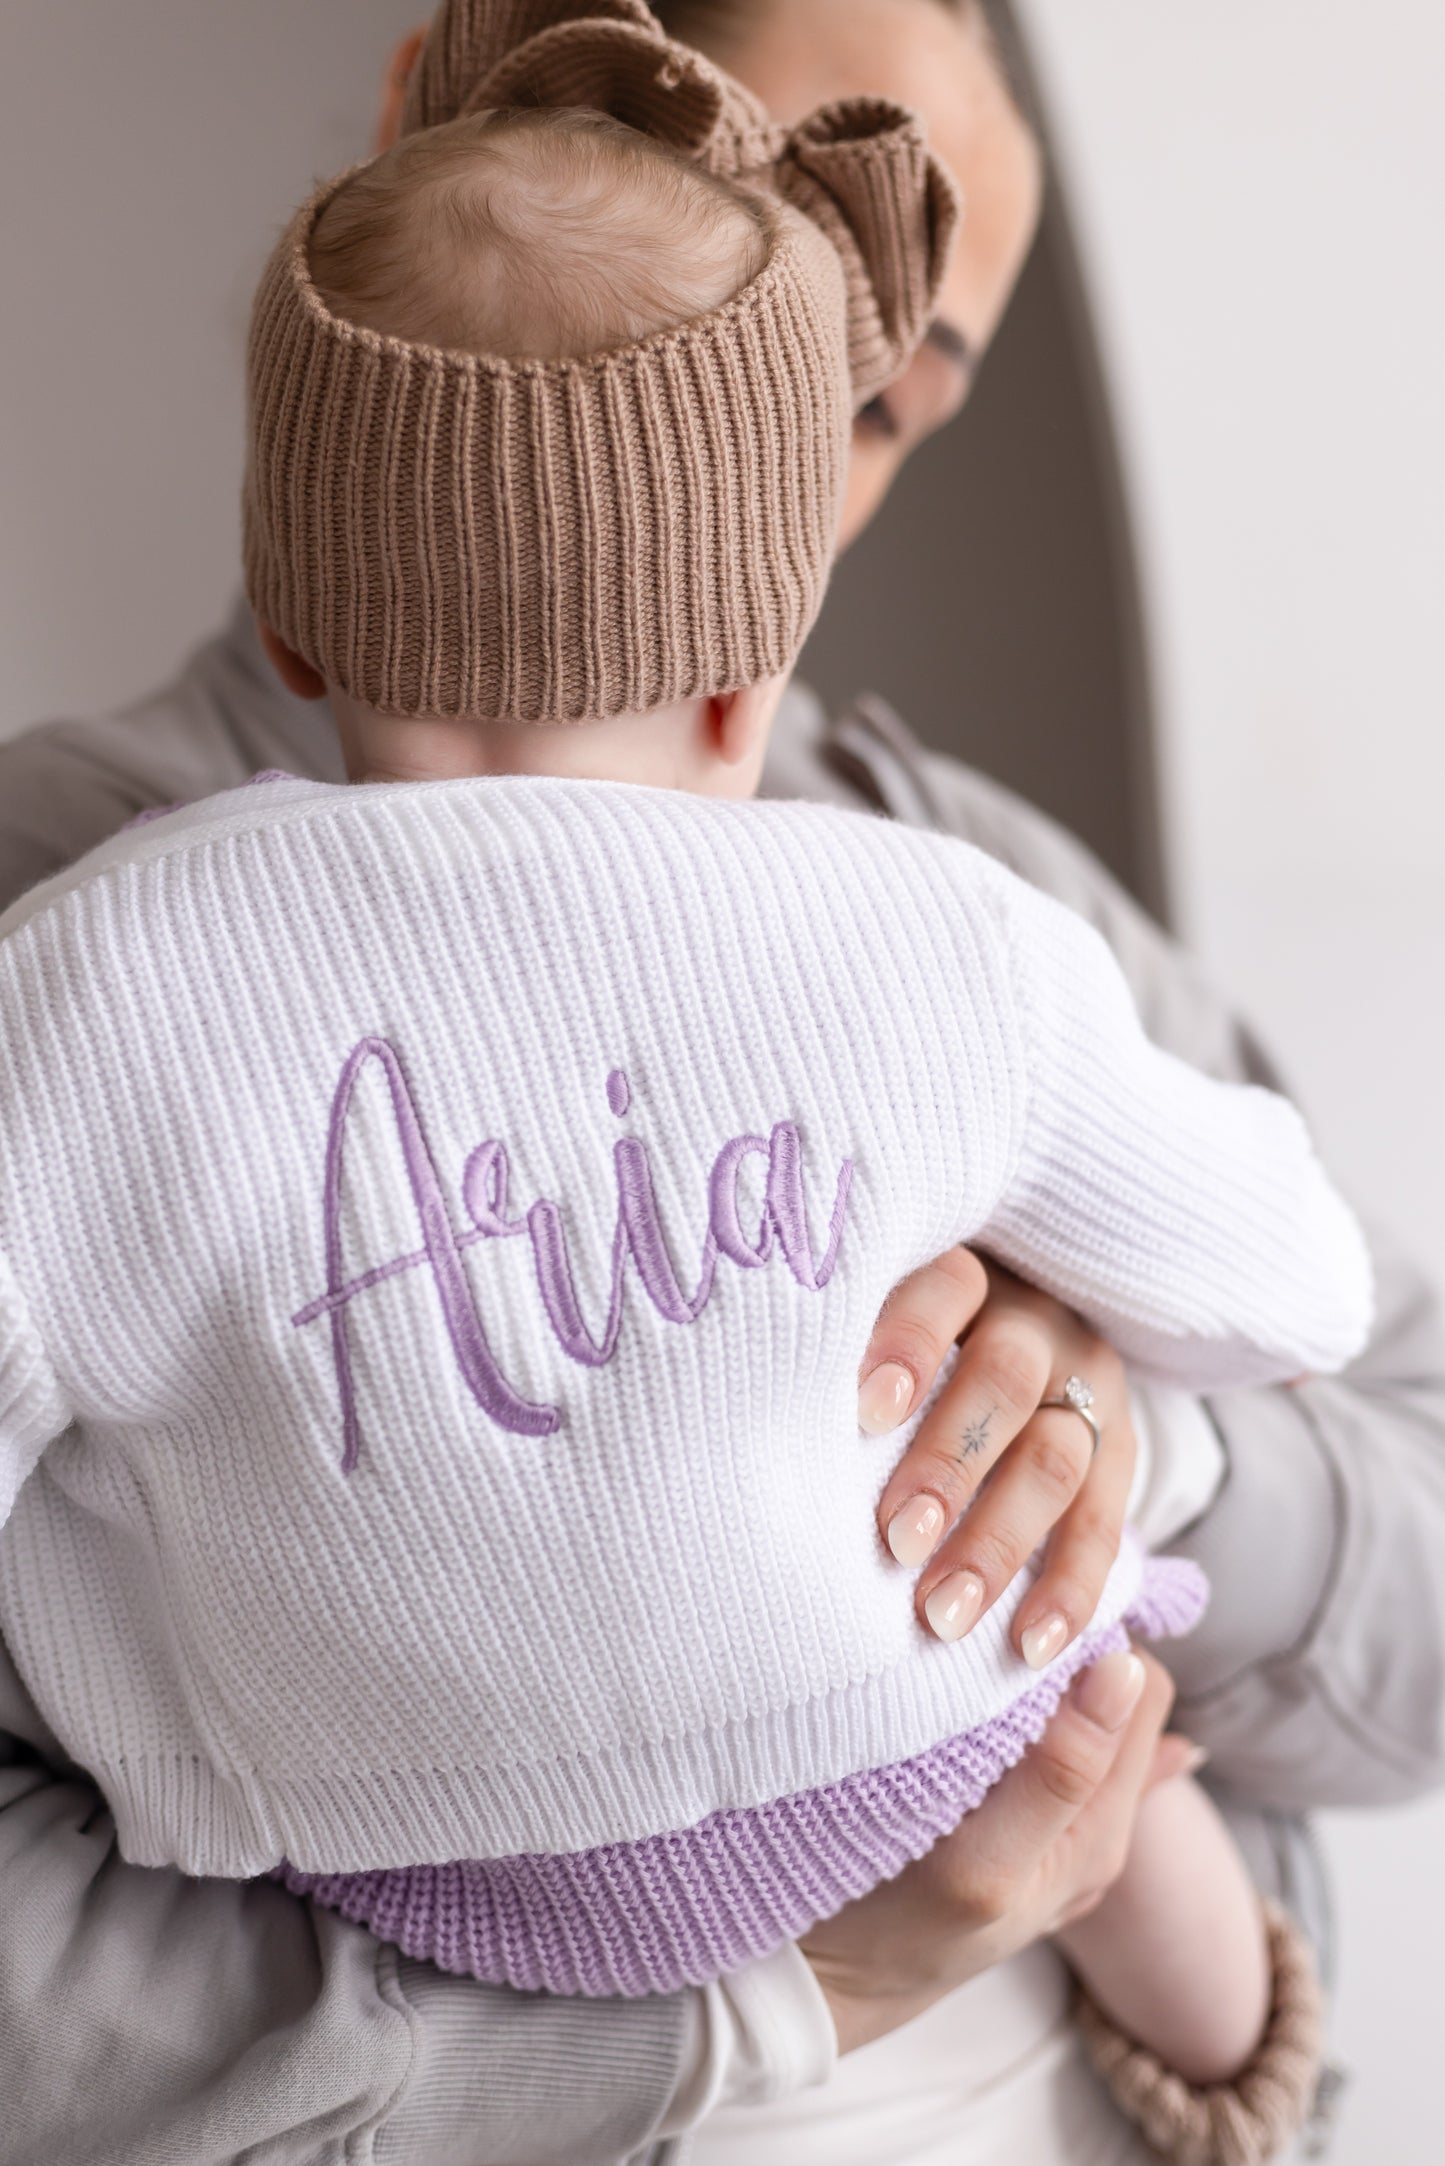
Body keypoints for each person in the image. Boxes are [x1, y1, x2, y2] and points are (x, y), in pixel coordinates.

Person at [0, 4, 1440, 2163]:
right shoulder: (61, 933)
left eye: (875, 395)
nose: (796, 454)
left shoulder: (978, 882)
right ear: (425, 104)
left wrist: (1138, 1432)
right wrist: (761, 2010)